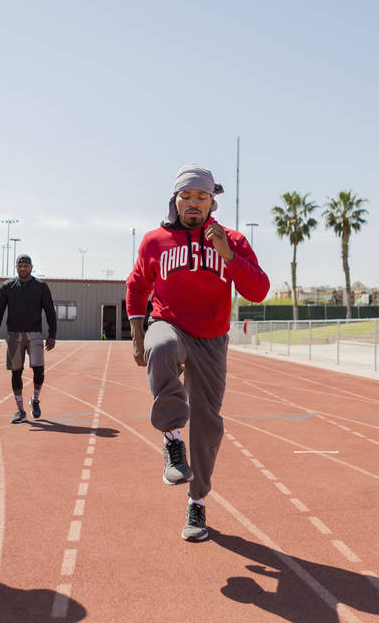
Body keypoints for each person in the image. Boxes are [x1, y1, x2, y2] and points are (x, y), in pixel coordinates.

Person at [126, 164, 269, 541]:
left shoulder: (233, 240)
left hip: (212, 338)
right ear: (174, 200)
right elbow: (137, 286)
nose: (193, 203)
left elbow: (258, 291)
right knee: (163, 346)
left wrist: (228, 255)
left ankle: (197, 502)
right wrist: (138, 335)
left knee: (208, 423)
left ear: (212, 202)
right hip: (169, 323)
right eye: (186, 196)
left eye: (201, 197)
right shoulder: (155, 241)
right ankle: (172, 440)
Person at [0, 254, 57, 423]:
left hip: (35, 334)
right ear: (16, 267)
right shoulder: (7, 286)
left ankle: (35, 400)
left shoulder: (41, 287)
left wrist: (52, 335)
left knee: (39, 371)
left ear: (31, 267)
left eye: (26, 266)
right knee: (16, 372)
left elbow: (50, 311)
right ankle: (20, 410)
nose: (23, 269)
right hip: (14, 335)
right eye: (20, 266)